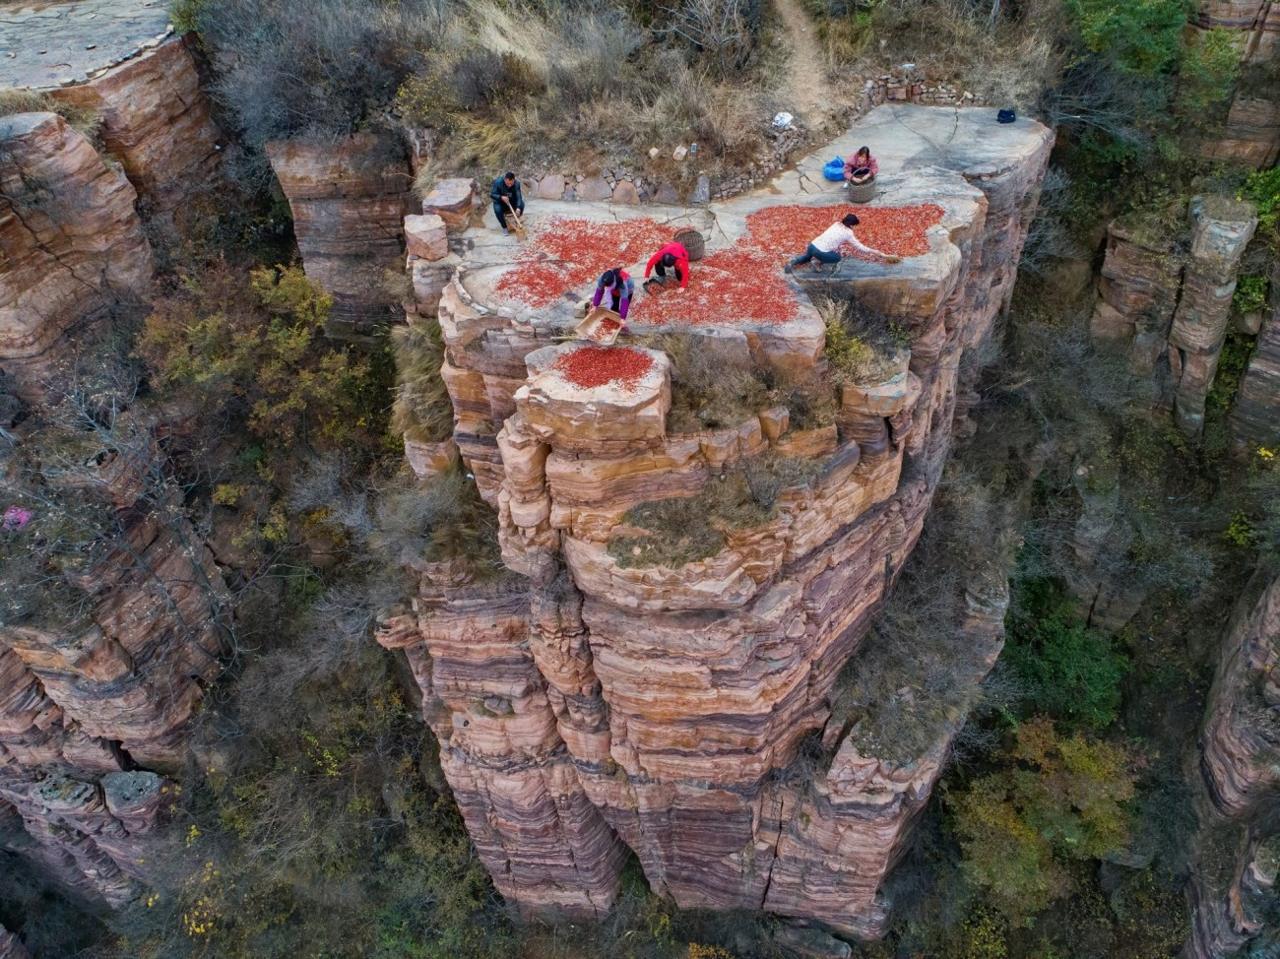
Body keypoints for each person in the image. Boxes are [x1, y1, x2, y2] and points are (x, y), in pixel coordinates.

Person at [785, 213, 899, 273]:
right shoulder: (848, 233)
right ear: (852, 224)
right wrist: (876, 252)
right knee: (837, 258)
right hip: (821, 251)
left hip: (812, 245)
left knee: (808, 256)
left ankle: (792, 263)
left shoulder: (836, 223)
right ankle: (818, 263)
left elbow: (833, 238)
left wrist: (836, 245)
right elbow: (860, 247)